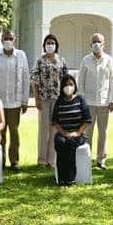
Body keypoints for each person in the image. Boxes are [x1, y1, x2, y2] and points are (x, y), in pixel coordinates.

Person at [0, 30, 28, 170]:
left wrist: (25, 100)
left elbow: (26, 78)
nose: (8, 40)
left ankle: (14, 161)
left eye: (10, 38)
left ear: (15, 40)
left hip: (15, 102)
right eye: (5, 38)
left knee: (14, 132)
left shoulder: (21, 55)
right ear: (1, 40)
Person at [77, 33, 113, 170]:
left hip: (104, 102)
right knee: (87, 132)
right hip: (88, 102)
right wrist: (81, 100)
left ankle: (101, 160)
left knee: (103, 132)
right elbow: (80, 81)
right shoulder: (85, 60)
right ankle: (86, 158)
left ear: (103, 44)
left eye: (99, 41)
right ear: (90, 45)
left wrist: (112, 100)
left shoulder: (109, 60)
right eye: (94, 42)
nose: (96, 44)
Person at [31, 34, 69, 167]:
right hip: (43, 99)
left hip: (58, 99)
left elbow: (66, 81)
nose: (50, 45)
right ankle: (41, 159)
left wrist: (66, 98)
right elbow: (35, 81)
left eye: (52, 43)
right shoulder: (40, 60)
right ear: (44, 45)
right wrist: (36, 98)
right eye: (48, 43)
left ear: (56, 45)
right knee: (43, 129)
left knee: (55, 128)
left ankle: (51, 160)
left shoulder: (61, 60)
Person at [52, 74, 92, 186]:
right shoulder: (59, 101)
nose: (68, 87)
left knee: (70, 144)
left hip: (78, 134)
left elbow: (87, 120)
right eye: (66, 85)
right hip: (62, 133)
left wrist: (77, 132)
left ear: (75, 86)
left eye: (71, 84)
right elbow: (55, 121)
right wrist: (63, 133)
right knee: (60, 143)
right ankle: (61, 179)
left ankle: (70, 178)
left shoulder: (80, 100)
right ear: (62, 87)